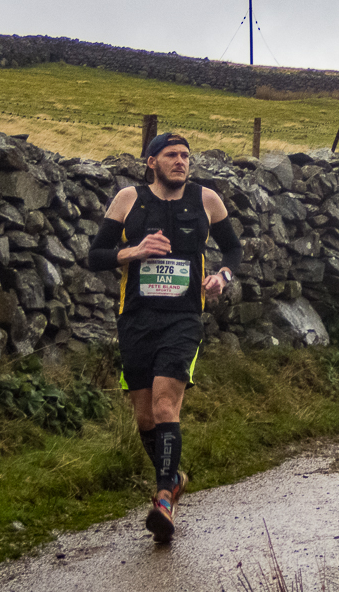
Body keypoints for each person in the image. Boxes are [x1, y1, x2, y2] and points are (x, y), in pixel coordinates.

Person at [86, 132, 242, 543]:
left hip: (184, 319)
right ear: (151, 161)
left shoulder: (208, 200)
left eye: (186, 155)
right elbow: (95, 256)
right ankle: (174, 479)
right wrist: (133, 252)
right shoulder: (128, 199)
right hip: (135, 318)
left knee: (165, 403)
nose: (181, 161)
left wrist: (222, 277)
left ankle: (163, 502)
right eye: (171, 155)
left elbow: (234, 250)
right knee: (144, 417)